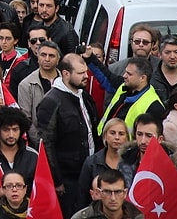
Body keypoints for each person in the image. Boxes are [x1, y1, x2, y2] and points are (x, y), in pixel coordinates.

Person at [37, 53, 99, 217]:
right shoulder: (51, 101)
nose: (86, 76)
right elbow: (46, 143)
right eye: (80, 73)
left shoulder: (82, 94)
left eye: (85, 72)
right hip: (68, 177)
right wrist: (57, 180)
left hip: (88, 170)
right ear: (65, 74)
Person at [71, 168, 143, 219]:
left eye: (118, 192)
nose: (113, 198)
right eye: (107, 192)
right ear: (99, 193)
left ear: (125, 193)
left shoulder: (136, 216)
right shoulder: (82, 217)